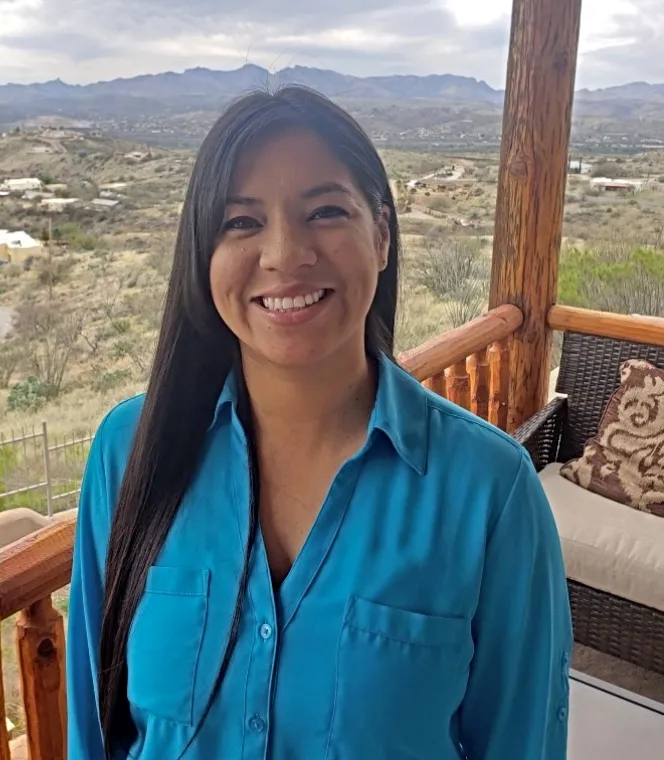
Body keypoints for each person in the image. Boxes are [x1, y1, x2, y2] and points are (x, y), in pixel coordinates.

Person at [67, 86, 573, 760]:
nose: (284, 253)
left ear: (383, 235)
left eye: (326, 211)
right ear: (202, 255)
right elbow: (92, 728)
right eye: (241, 222)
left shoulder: (488, 491)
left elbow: (521, 740)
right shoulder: (130, 451)